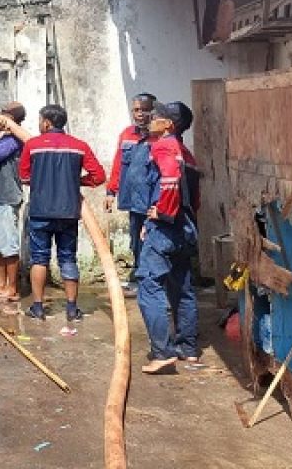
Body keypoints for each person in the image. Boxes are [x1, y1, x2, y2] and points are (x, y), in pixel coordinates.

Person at [18, 104, 106, 321]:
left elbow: (24, 177)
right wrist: (75, 181)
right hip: (68, 212)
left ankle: (38, 308)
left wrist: (42, 181)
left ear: (47, 123)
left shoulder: (33, 145)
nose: (39, 124)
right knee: (68, 258)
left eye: (40, 121)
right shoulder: (79, 146)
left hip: (40, 211)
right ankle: (72, 309)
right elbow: (98, 176)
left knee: (39, 259)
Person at [138, 101, 202, 374]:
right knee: (182, 287)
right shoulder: (187, 155)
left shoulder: (163, 146)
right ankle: (188, 348)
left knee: (149, 284)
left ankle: (162, 352)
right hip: (185, 227)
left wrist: (162, 213)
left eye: (156, 117)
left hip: (166, 229)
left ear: (168, 125)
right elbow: (195, 199)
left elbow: (169, 180)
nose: (150, 120)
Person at [104, 92, 157, 295]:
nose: (140, 114)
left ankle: (152, 280)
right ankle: (140, 276)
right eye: (136, 110)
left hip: (153, 201)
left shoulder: (159, 137)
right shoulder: (126, 135)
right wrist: (111, 191)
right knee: (136, 240)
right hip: (134, 201)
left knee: (153, 240)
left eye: (144, 110)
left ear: (153, 111)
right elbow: (118, 164)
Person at [0, 101, 27, 302]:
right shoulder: (6, 138)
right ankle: (1, 284)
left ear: (12, 118)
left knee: (8, 245)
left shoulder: (15, 140)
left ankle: (12, 288)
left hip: (8, 197)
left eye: (4, 113)